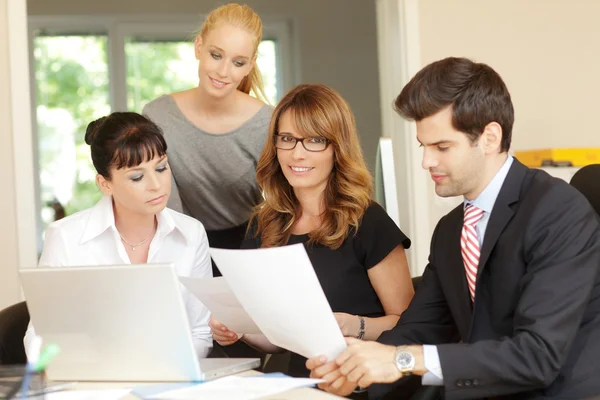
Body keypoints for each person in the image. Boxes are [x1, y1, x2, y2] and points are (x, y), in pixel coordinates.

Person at [306, 57, 600, 400]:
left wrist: (401, 360)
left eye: (442, 147)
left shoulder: (558, 212)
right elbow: (420, 327)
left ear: (490, 137)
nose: (426, 162)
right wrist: (354, 368)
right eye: (424, 146)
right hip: (486, 388)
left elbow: (538, 356)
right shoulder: (451, 230)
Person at [209, 84, 415, 385]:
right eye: (287, 139)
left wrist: (352, 325)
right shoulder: (264, 224)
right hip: (295, 383)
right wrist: (239, 330)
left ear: (337, 148)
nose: (298, 153)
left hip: (359, 383)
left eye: (315, 141)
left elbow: (409, 325)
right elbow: (277, 340)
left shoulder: (368, 221)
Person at [24, 112, 213, 359]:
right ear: (105, 184)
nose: (156, 184)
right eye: (137, 176)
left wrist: (161, 368)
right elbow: (39, 338)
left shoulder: (191, 233)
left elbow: (200, 334)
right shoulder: (66, 237)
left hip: (169, 383)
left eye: (161, 167)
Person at [142, 3, 272, 278]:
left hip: (252, 249)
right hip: (180, 246)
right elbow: (163, 208)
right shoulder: (158, 116)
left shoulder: (267, 123)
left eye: (238, 62)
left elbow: (284, 205)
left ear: (250, 65)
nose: (223, 72)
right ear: (199, 47)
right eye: (216, 55)